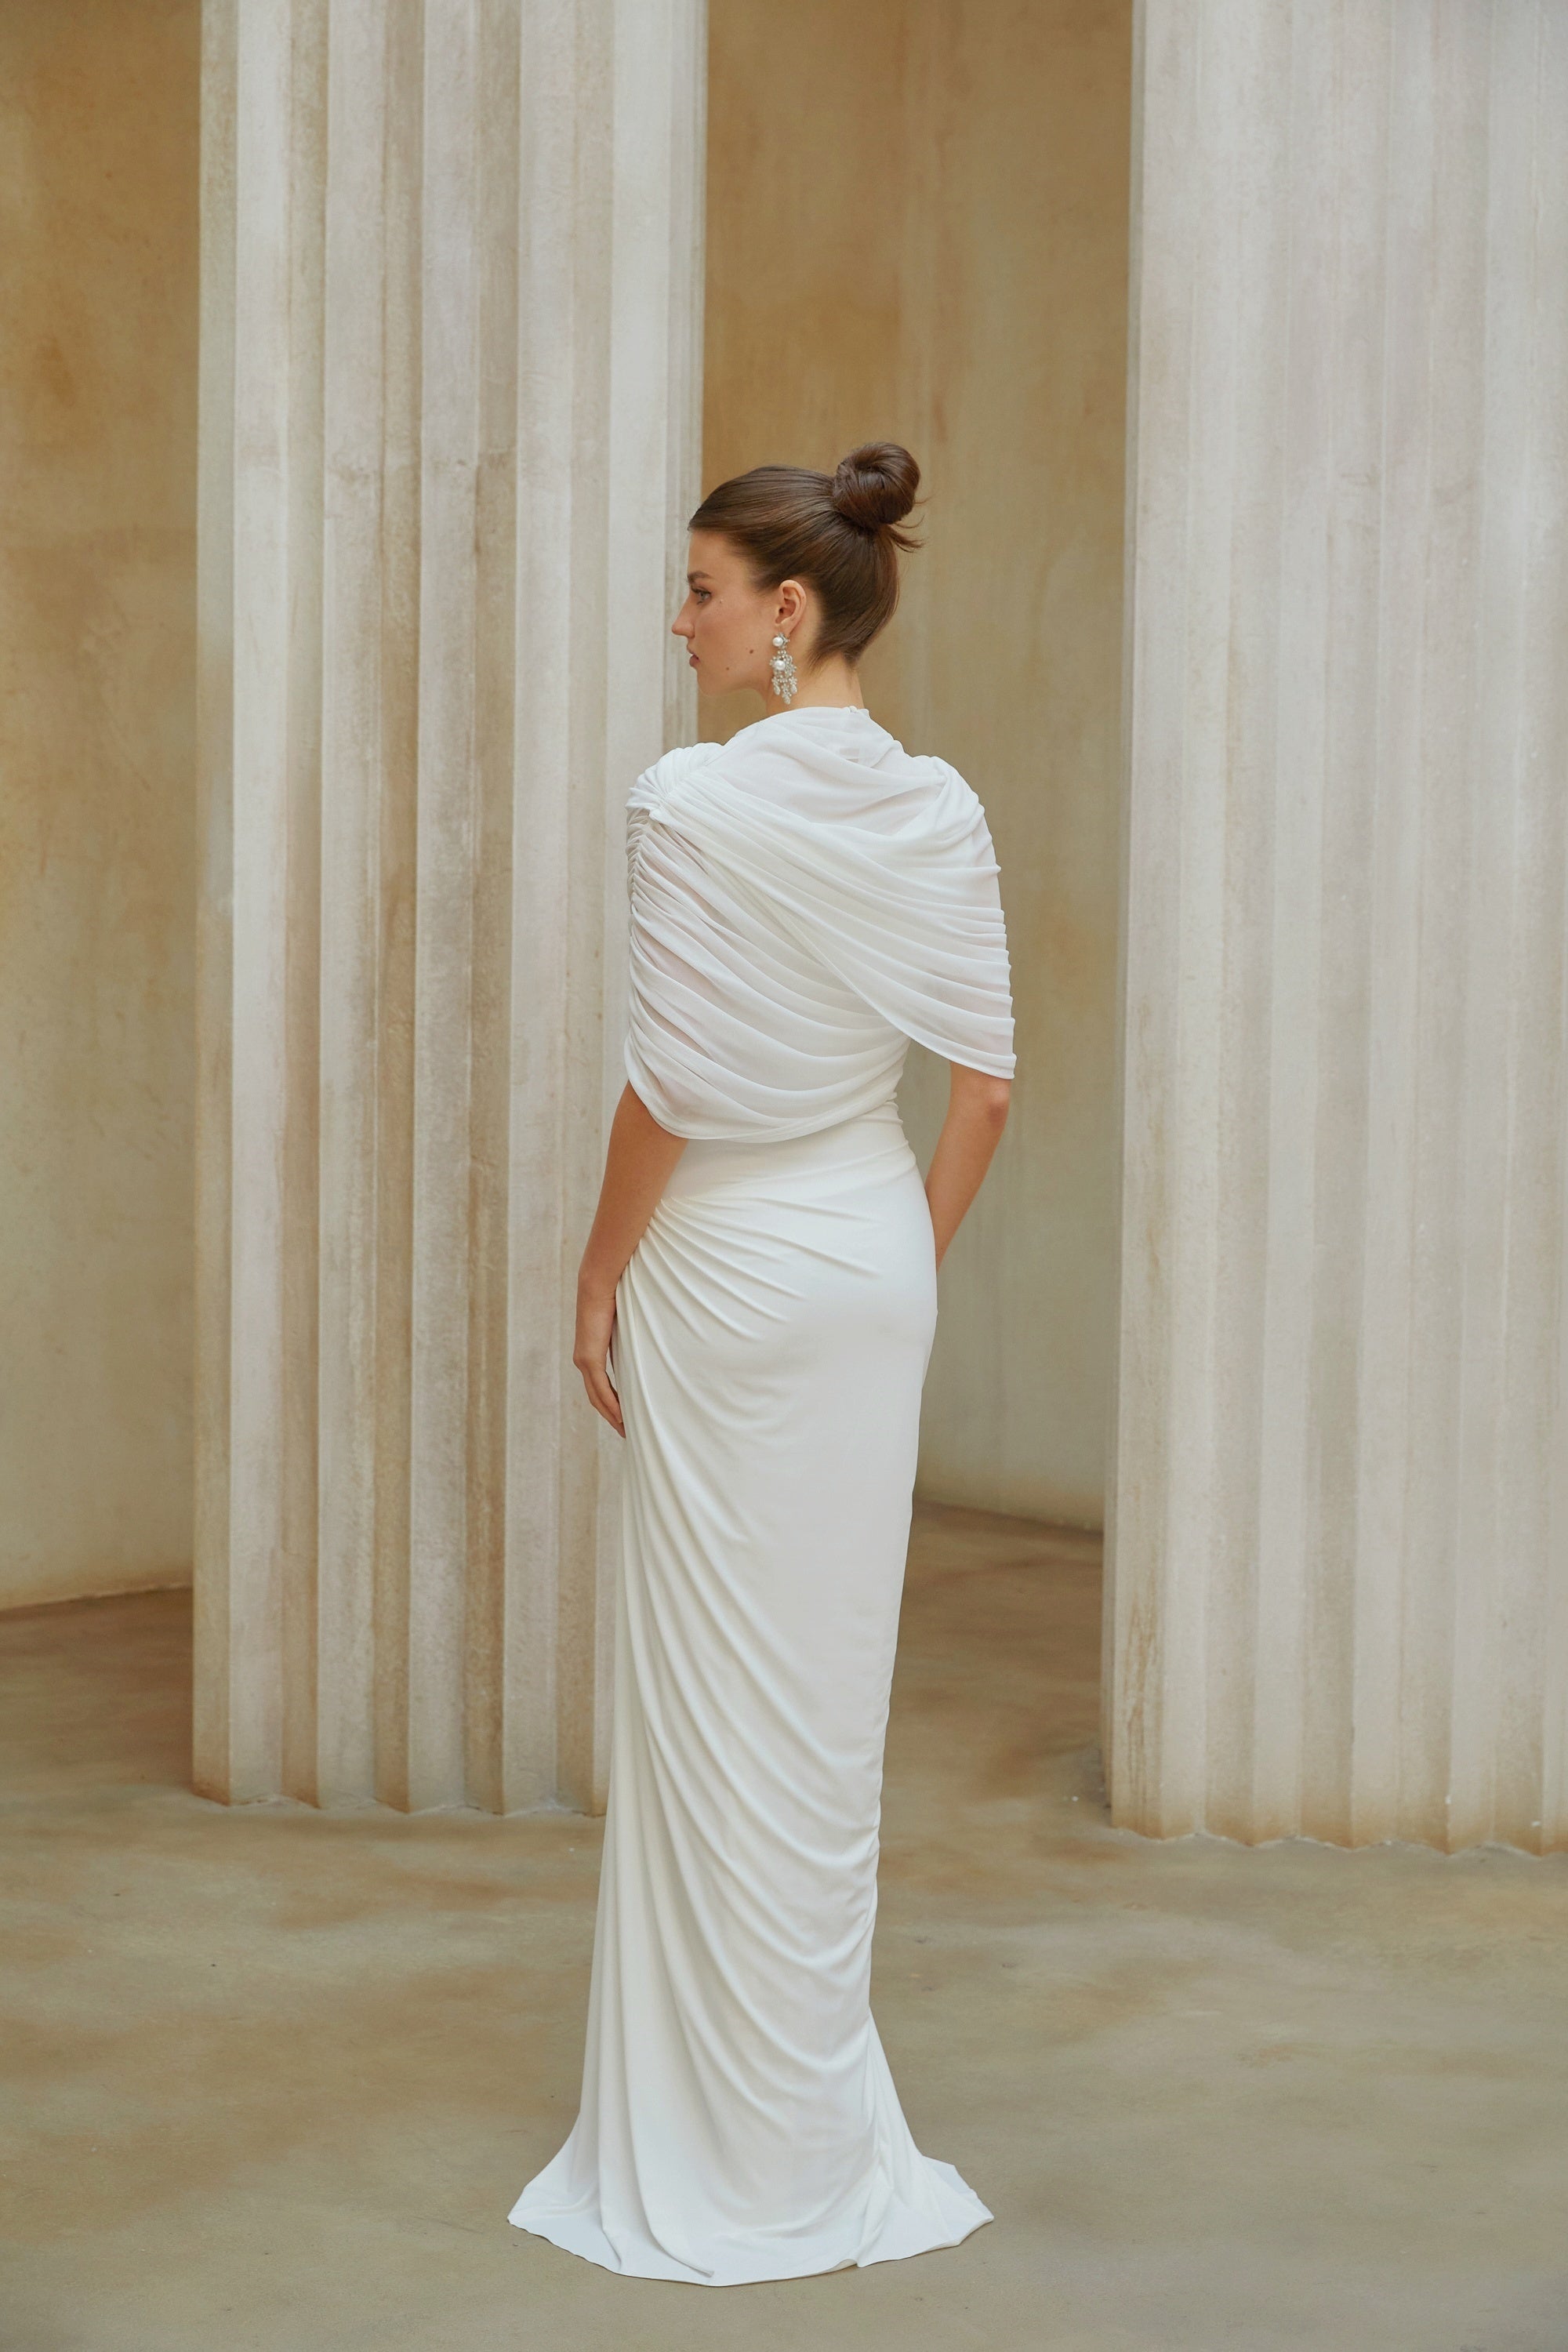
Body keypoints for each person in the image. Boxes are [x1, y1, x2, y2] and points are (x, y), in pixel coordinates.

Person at [509, 443, 1015, 2285]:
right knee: (820, 1710)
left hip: (723, 1271)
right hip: (870, 1258)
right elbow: (984, 1088)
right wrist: (900, 1260)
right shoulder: (940, 809)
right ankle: (803, 2133)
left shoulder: (694, 802)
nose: (682, 621)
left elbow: (674, 1087)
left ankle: (714, 2146)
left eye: (703, 591)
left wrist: (595, 1274)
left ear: (787, 609)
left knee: (710, 1704)